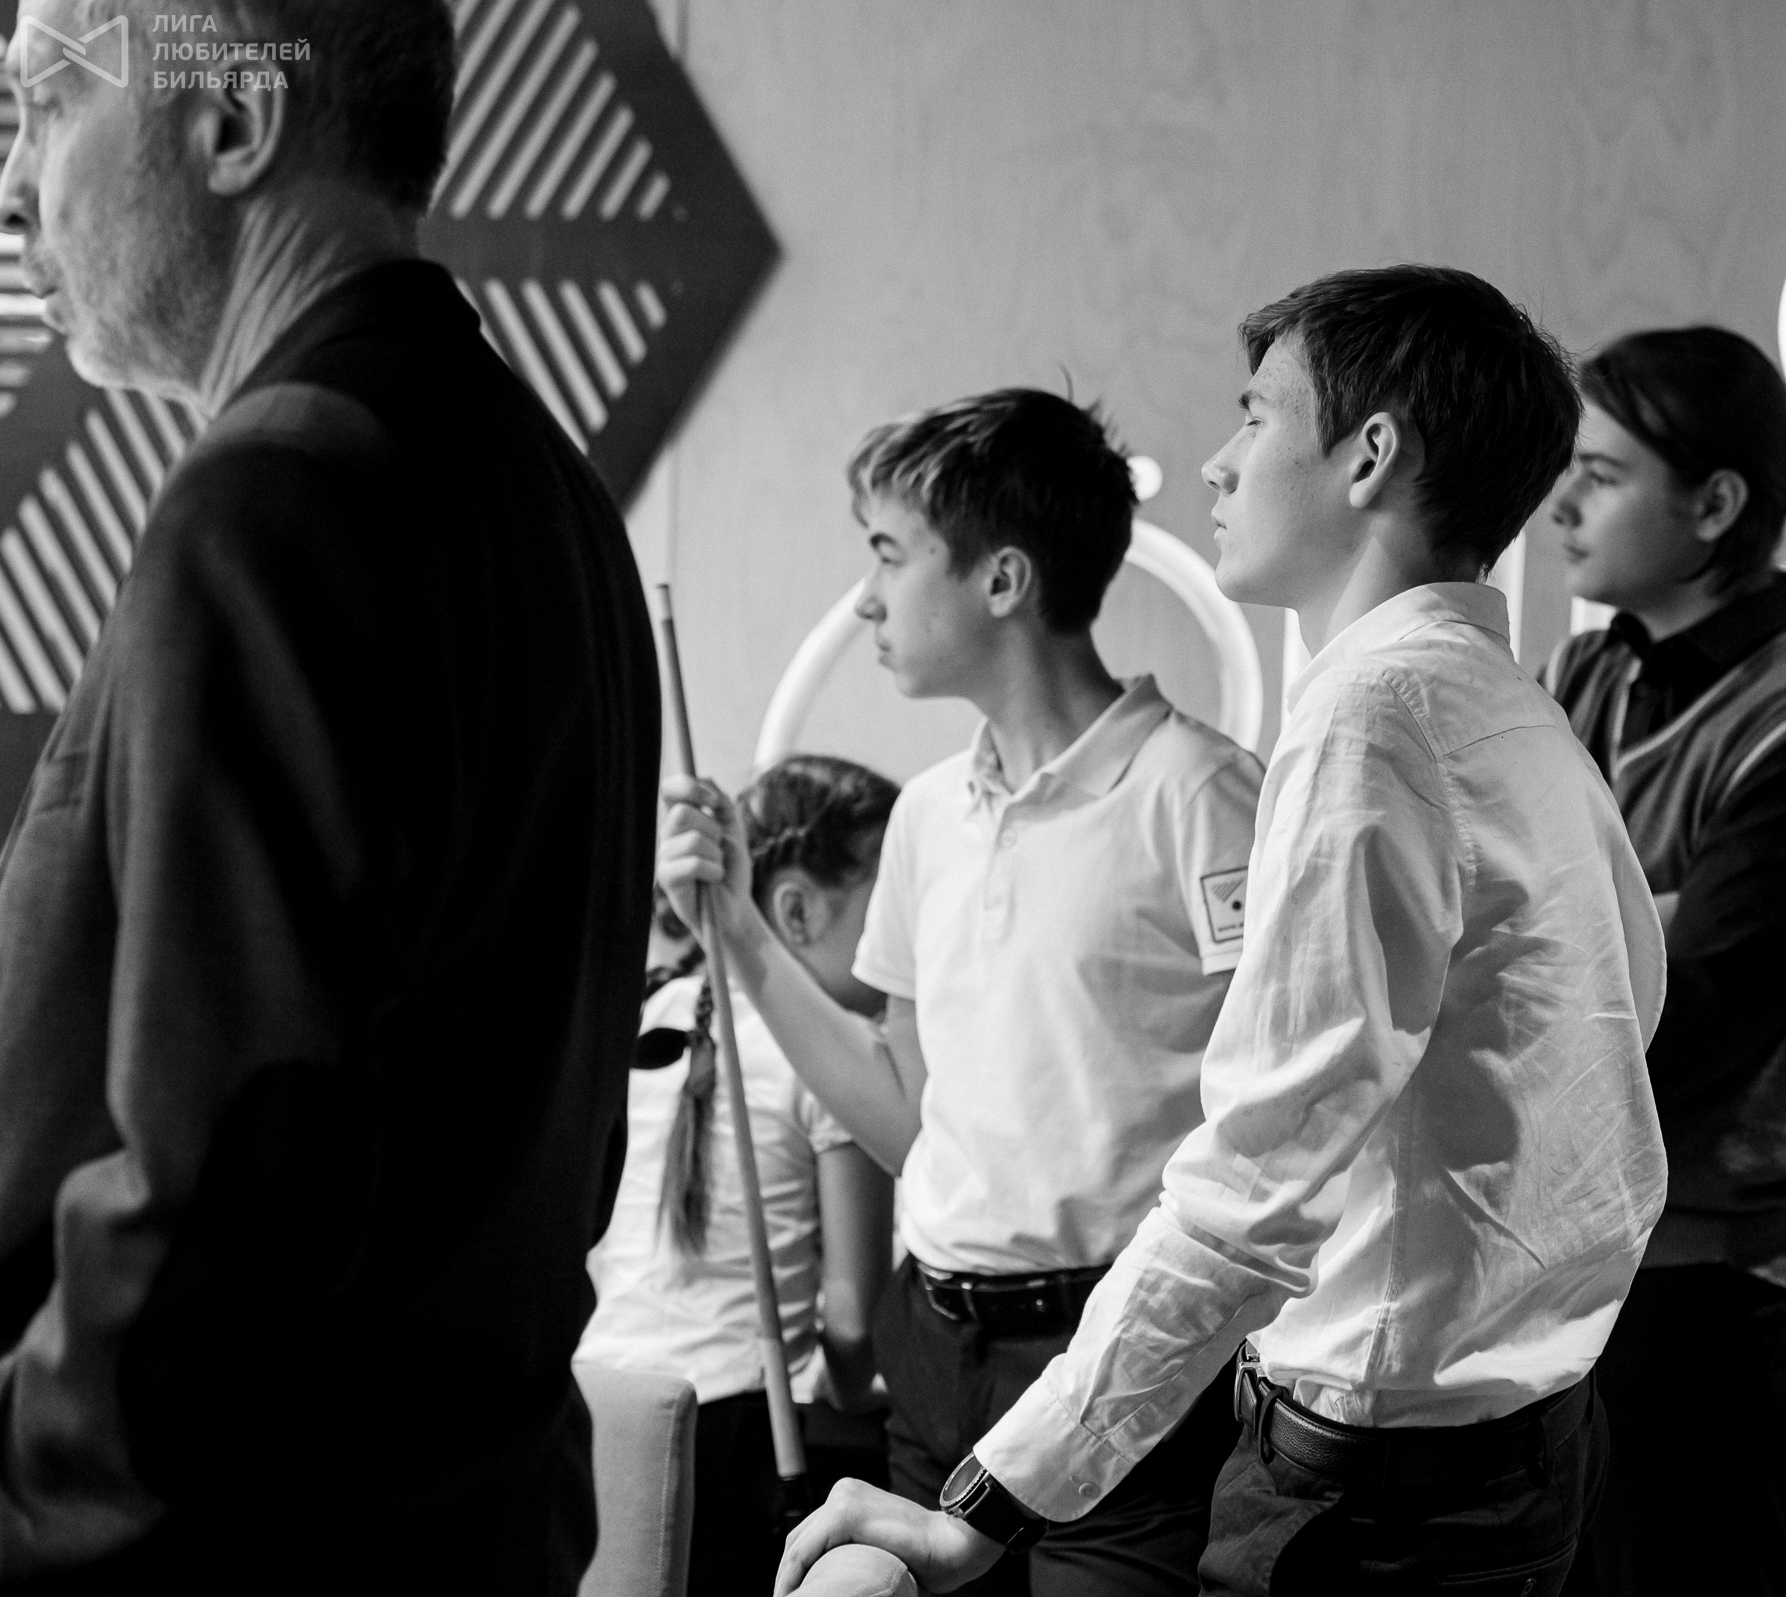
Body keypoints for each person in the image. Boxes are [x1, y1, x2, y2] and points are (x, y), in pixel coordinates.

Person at [773, 265, 1668, 1596]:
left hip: (1372, 1483)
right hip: (1508, 1441)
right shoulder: (1509, 709)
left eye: (1255, 415)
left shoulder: (1369, 720)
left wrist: (988, 1503)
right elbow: (1621, 1019)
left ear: (1371, 454)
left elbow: (1255, 1183)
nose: (1215, 461)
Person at [0, 2, 660, 1589]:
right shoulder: (547, 488)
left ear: (230, 119)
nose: (15, 185)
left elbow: (224, 1190)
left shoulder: (277, 492)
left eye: (44, 104)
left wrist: (30, 1508)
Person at [658, 388, 1263, 1595]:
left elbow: (1280, 1127)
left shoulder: (1201, 794)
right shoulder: (928, 816)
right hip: (935, 1349)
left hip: (1121, 1359)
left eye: (889, 555)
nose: (867, 599)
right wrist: (737, 929)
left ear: (1002, 579)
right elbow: (906, 1119)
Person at [1537, 326, 1786, 1597]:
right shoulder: (1583, 672)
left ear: (1714, 504)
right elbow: (1501, 927)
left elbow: (1696, 1018)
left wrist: (1549, 954)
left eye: (1602, 474)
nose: (1560, 502)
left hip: (1726, 1288)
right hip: (1574, 1263)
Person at [584, 756, 898, 1597]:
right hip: (729, 1439)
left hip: (598, 1408)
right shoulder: (836, 1065)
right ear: (794, 909)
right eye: (889, 901)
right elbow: (852, 1327)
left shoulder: (644, 1014)